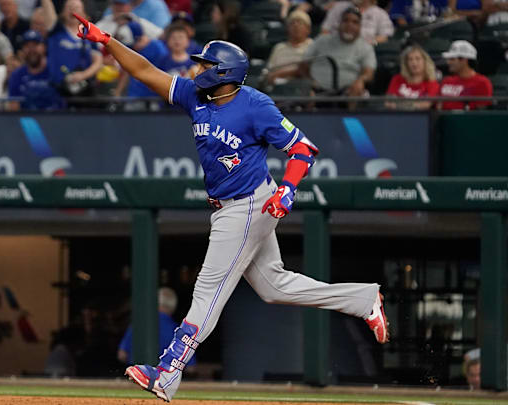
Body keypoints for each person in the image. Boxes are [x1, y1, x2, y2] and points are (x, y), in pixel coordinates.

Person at [72, 13, 389, 402]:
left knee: (208, 288)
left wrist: (287, 190)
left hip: (248, 204)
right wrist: (107, 41)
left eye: (204, 63)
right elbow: (144, 70)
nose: (197, 67)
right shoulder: (195, 95)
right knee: (274, 286)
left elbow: (303, 150)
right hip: (228, 204)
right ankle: (363, 299)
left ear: (223, 71)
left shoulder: (256, 105)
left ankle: (168, 371)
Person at [300, 7, 376, 95]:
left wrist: (361, 80)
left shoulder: (366, 47)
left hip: (347, 91)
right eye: (345, 20)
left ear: (360, 27)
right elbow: (303, 65)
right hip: (316, 89)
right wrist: (308, 81)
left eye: (355, 22)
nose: (349, 25)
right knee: (306, 92)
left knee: (358, 90)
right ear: (339, 23)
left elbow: (369, 73)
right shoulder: (322, 40)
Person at [117, 287, 197, 369]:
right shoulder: (179, 331)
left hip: (137, 376)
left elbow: (122, 355)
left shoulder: (139, 325)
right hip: (164, 378)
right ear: (173, 307)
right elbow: (191, 368)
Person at [46, 0, 102, 97]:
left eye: (76, 8)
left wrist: (82, 75)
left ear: (84, 13)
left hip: (83, 89)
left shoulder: (89, 34)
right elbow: (47, 9)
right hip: (58, 89)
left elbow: (98, 61)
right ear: (63, 12)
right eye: (69, 7)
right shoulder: (56, 30)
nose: (72, 10)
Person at [7, 30, 64, 110]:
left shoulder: (57, 70)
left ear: (44, 47)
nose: (31, 49)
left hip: (58, 118)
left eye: (35, 45)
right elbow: (13, 107)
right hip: (28, 120)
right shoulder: (17, 75)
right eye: (27, 46)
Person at [114, 20, 167, 100]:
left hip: (154, 96)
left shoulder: (158, 48)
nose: (132, 48)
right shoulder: (135, 50)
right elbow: (127, 71)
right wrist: (118, 92)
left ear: (139, 39)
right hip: (134, 96)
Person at [262, 10, 313, 86]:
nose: (296, 25)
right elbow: (269, 73)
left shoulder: (313, 46)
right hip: (279, 88)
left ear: (308, 29)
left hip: (304, 88)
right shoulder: (279, 48)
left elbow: (307, 71)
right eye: (292, 23)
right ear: (287, 28)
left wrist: (280, 73)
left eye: (300, 22)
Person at [439, 40, 493, 110]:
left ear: (464, 60)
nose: (448, 62)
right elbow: (439, 107)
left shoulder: (482, 82)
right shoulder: (446, 81)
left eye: (452, 59)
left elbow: (481, 114)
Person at [385, 45, 439, 110]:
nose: (414, 63)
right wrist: (413, 105)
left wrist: (399, 105)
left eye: (418, 59)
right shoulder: (397, 79)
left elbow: (425, 105)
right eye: (410, 59)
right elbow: (388, 103)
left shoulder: (432, 84)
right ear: (406, 63)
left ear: (425, 61)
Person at [321, 0, 394, 44]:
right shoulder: (338, 7)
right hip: (336, 48)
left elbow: (384, 37)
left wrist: (367, 44)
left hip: (365, 52)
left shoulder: (380, 13)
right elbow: (325, 30)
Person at [96, 0, 163, 40]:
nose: (119, 8)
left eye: (122, 5)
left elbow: (161, 36)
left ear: (130, 6)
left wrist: (146, 41)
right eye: (116, 4)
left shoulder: (139, 22)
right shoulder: (104, 22)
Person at [101, 0, 172, 29]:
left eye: (121, 5)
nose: (118, 7)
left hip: (144, 49)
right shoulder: (118, 3)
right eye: (116, 5)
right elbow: (104, 25)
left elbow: (162, 34)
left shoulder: (156, 5)